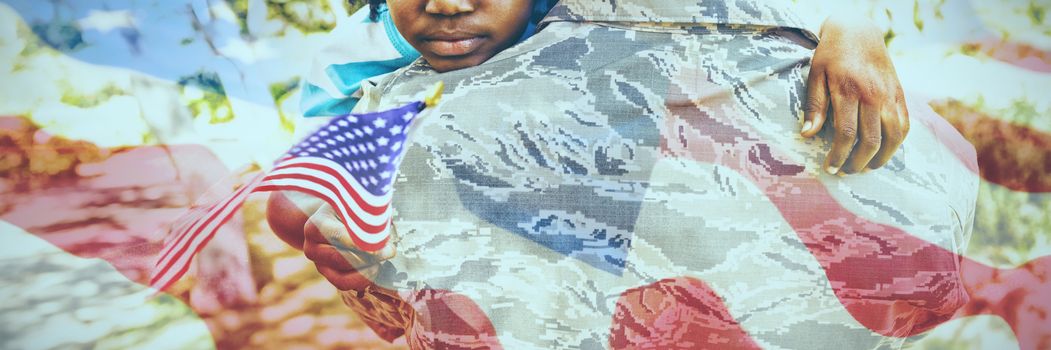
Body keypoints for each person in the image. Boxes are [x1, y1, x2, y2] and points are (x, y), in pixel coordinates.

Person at [269, 0, 979, 347]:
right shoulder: (378, 46)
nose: (450, 2)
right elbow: (304, 185)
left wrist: (848, 27)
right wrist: (326, 226)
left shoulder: (604, 26)